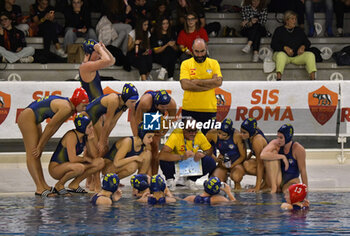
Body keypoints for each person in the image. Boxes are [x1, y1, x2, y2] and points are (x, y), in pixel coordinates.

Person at [17, 87, 89, 198]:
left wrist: (41, 145)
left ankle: (43, 185)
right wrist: (40, 145)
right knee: (33, 153)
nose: (85, 108)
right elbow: (50, 126)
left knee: (37, 154)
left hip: (33, 117)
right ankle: (40, 188)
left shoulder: (70, 108)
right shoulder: (66, 108)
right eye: (83, 105)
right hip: (27, 117)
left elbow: (54, 127)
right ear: (77, 102)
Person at [48, 114, 104, 195]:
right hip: (56, 168)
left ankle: (74, 184)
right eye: (89, 127)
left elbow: (94, 156)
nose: (92, 129)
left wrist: (91, 140)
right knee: (79, 167)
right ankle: (59, 185)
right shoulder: (71, 136)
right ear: (83, 127)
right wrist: (85, 159)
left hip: (69, 165)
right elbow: (73, 159)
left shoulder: (85, 136)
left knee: (99, 162)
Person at [158, 118, 217, 190]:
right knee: (164, 158)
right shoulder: (176, 134)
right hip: (177, 160)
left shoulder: (199, 134)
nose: (193, 133)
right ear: (183, 129)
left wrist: (203, 153)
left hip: (193, 161)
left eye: (195, 130)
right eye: (190, 131)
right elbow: (162, 155)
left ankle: (190, 180)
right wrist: (182, 156)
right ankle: (170, 180)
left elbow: (210, 150)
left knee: (210, 161)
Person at [180, 37, 222, 135]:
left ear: (206, 48)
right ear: (192, 50)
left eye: (202, 51)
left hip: (209, 109)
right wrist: (210, 83)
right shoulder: (186, 64)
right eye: (197, 51)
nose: (199, 55)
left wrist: (197, 81)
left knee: (209, 142)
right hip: (189, 110)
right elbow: (185, 85)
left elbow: (218, 82)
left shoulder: (213, 63)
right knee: (189, 142)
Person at [83, 83, 139, 156]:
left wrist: (105, 138)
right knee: (97, 149)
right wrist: (102, 141)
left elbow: (113, 122)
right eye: (132, 101)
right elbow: (107, 122)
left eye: (135, 101)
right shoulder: (114, 100)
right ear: (126, 98)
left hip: (97, 118)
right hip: (87, 117)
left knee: (104, 147)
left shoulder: (124, 105)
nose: (134, 104)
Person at [130, 89, 177, 175]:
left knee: (155, 148)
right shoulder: (145, 102)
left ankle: (154, 176)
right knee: (142, 146)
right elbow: (137, 120)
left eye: (166, 106)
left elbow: (171, 119)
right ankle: (142, 174)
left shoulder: (171, 104)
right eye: (163, 107)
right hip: (138, 115)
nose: (165, 108)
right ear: (156, 104)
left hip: (154, 116)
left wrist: (163, 132)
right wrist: (142, 136)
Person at [261, 124, 308, 193]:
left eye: (281, 138)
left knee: (288, 192)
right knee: (272, 154)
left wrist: (305, 190)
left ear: (287, 137)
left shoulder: (298, 149)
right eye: (277, 137)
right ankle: (274, 187)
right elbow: (262, 155)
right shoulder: (275, 143)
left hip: (290, 180)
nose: (278, 140)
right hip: (277, 179)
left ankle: (275, 189)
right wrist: (282, 157)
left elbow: (303, 170)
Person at [270, 11, 317, 80]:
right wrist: (284, 48)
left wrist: (303, 47)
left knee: (310, 55)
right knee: (280, 56)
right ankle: (278, 79)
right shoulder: (279, 30)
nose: (294, 21)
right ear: (286, 20)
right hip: (284, 55)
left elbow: (307, 42)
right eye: (292, 19)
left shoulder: (299, 30)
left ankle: (313, 79)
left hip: (296, 56)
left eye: (295, 19)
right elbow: (273, 44)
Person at [206, 118, 246, 190]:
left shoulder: (237, 136)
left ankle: (237, 187)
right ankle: (224, 180)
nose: (220, 136)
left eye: (224, 135)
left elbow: (243, 156)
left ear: (230, 134)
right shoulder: (212, 134)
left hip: (236, 163)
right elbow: (205, 148)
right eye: (219, 133)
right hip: (223, 163)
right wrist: (216, 159)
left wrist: (232, 165)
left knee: (236, 177)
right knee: (216, 181)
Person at [240, 118, 268, 192]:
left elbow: (260, 164)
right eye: (241, 131)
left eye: (244, 132)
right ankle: (266, 181)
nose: (241, 134)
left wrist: (257, 187)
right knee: (246, 163)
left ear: (250, 132)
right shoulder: (254, 132)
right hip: (267, 163)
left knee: (247, 166)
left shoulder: (257, 141)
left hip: (271, 166)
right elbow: (253, 151)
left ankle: (268, 181)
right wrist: (246, 158)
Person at [151, 16, 178, 81]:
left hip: (170, 56)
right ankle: (170, 77)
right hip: (159, 56)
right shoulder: (155, 34)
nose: (166, 25)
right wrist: (166, 45)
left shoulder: (172, 33)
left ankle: (163, 69)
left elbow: (176, 49)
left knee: (170, 51)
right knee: (168, 49)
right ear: (160, 25)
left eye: (167, 23)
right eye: (163, 24)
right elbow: (156, 51)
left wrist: (173, 45)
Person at [127, 17, 153, 81]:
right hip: (134, 54)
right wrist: (134, 43)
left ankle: (145, 77)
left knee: (149, 59)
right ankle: (144, 80)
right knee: (142, 60)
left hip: (143, 52)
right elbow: (128, 48)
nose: (146, 26)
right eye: (145, 25)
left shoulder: (147, 33)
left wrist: (148, 51)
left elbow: (149, 47)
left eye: (147, 25)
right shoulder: (132, 33)